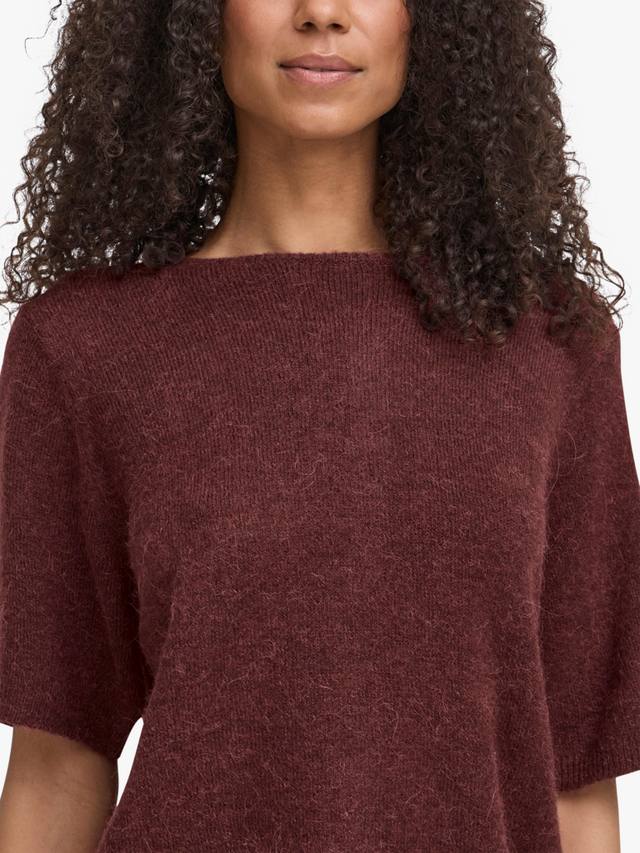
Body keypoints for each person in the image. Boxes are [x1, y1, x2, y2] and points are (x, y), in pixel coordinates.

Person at [0, 1, 638, 851]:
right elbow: (58, 760)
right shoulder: (84, 346)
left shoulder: (552, 344)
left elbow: (576, 776)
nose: (323, 14)